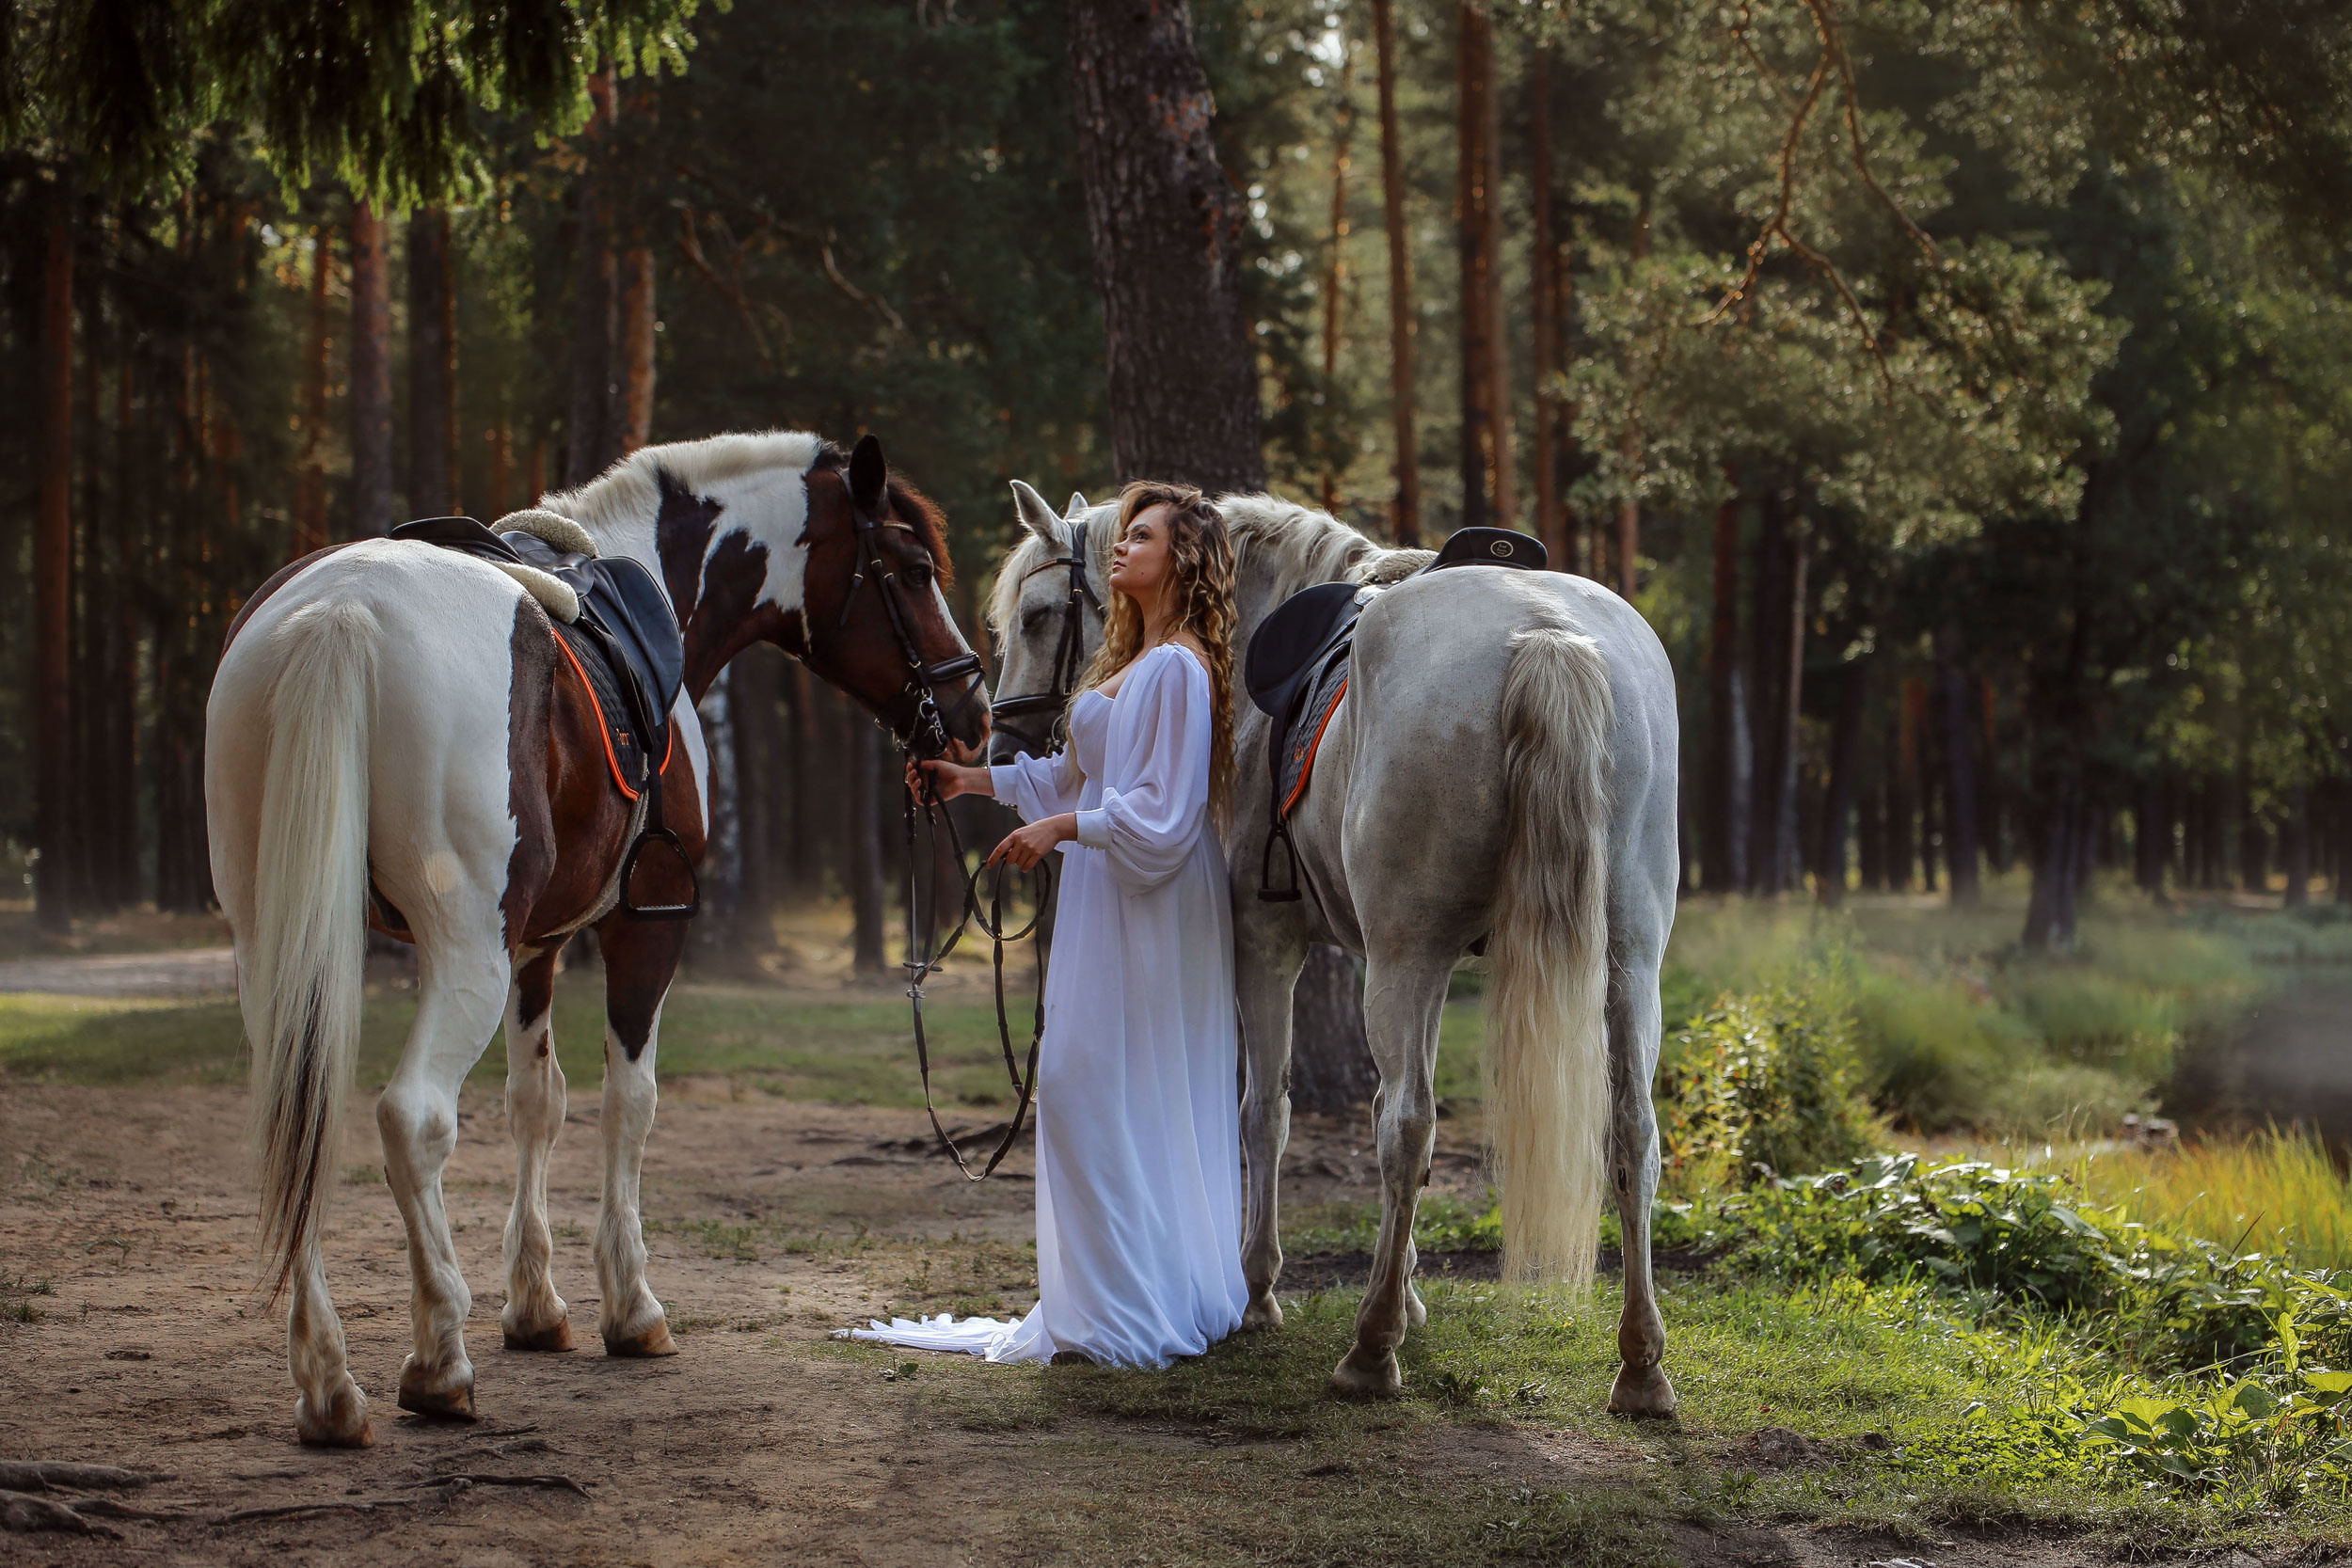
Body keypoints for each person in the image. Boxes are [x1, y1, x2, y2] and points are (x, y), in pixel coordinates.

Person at [843, 482, 1248, 1368]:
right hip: (1110, 893)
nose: (1122, 546)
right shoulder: (1128, 661)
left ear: (1180, 559)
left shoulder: (1181, 668)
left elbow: (1165, 815)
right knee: (1090, 1087)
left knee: (1094, 1086)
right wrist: (970, 782)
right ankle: (1110, 1305)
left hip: (1151, 903)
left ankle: (1134, 1308)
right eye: (1124, 534)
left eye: (1142, 536)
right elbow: (1074, 774)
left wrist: (1062, 830)